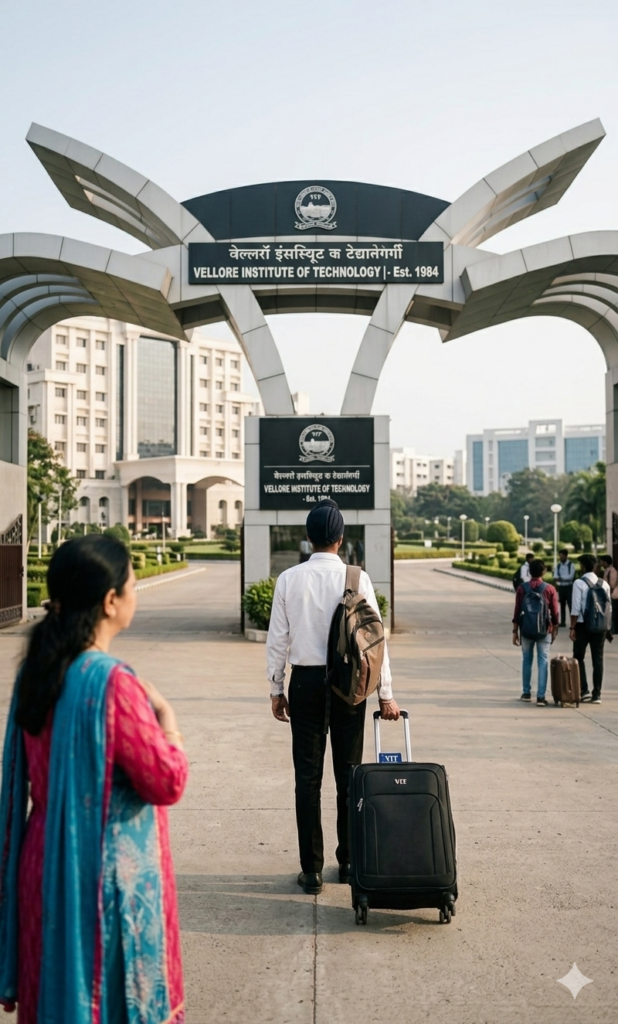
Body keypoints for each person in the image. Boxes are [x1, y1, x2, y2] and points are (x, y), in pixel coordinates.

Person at [0, 535, 188, 1023]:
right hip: (101, 876)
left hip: (43, 863)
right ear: (110, 601)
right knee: (104, 1003)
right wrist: (167, 718)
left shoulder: (37, 672)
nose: (134, 594)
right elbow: (166, 781)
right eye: (131, 584)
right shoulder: (112, 684)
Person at [267, 499, 400, 895]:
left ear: (308, 538)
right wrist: (385, 695)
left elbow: (278, 642)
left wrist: (276, 688)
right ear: (341, 539)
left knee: (307, 779)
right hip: (350, 687)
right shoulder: (358, 578)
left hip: (305, 685)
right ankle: (348, 862)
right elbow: (376, 642)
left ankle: (311, 870)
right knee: (349, 775)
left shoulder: (288, 579)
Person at [512, 558, 559, 705]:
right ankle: (540, 697)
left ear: (529, 571)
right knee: (543, 661)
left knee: (526, 660)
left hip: (526, 629)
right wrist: (555, 628)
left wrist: (515, 631)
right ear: (544, 571)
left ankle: (526, 693)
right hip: (544, 630)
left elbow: (517, 611)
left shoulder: (522, 588)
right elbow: (555, 612)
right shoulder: (549, 589)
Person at [570, 553, 612, 703]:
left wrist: (572, 628)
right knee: (598, 659)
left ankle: (584, 690)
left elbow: (575, 609)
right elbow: (609, 609)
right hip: (600, 627)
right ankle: (597, 694)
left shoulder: (579, 583)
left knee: (578, 657)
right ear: (594, 566)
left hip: (582, 626)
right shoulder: (604, 584)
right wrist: (608, 629)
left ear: (582, 566)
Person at [554, 548, 575, 627]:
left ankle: (573, 622)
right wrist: (562, 578)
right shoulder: (558, 565)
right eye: (560, 556)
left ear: (566, 556)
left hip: (569, 587)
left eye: (562, 556)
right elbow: (555, 576)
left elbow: (571, 576)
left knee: (571, 605)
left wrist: (561, 578)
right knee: (562, 605)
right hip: (561, 587)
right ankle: (563, 622)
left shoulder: (571, 565)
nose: (561, 557)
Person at [600, 554, 618, 634]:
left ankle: (615, 630)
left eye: (602, 561)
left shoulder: (612, 571)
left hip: (613, 595)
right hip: (609, 595)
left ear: (605, 562)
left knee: (614, 614)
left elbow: (612, 585)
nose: (600, 563)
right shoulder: (607, 570)